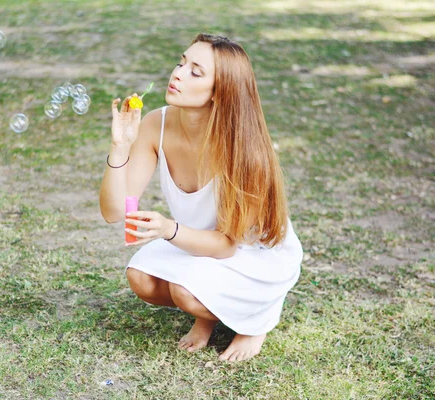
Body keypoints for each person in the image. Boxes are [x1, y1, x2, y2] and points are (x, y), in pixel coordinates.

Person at [98, 33, 303, 362]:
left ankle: (255, 320)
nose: (177, 73)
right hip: (197, 244)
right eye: (181, 62)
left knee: (184, 291)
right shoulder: (156, 124)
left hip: (254, 255)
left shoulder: (245, 151)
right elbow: (112, 211)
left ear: (220, 93)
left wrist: (168, 230)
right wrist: (120, 146)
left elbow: (227, 244)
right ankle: (210, 311)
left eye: (195, 71)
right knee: (141, 279)